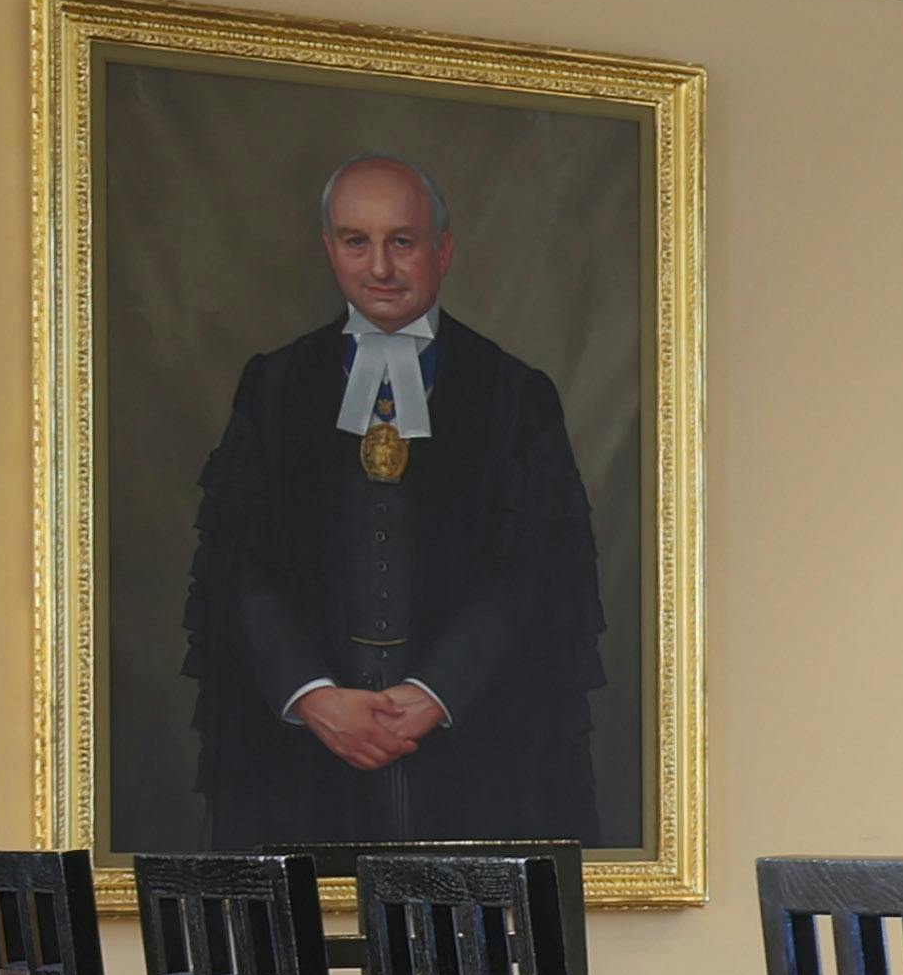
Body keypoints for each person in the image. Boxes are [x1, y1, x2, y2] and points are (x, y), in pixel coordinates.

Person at [181, 154, 608, 843]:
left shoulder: (514, 393)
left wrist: (436, 693)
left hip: (473, 757)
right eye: (356, 241)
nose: (379, 267)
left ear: (442, 251)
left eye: (401, 242)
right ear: (330, 249)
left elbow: (537, 567)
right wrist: (313, 696)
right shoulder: (274, 386)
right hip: (304, 760)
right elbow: (234, 566)